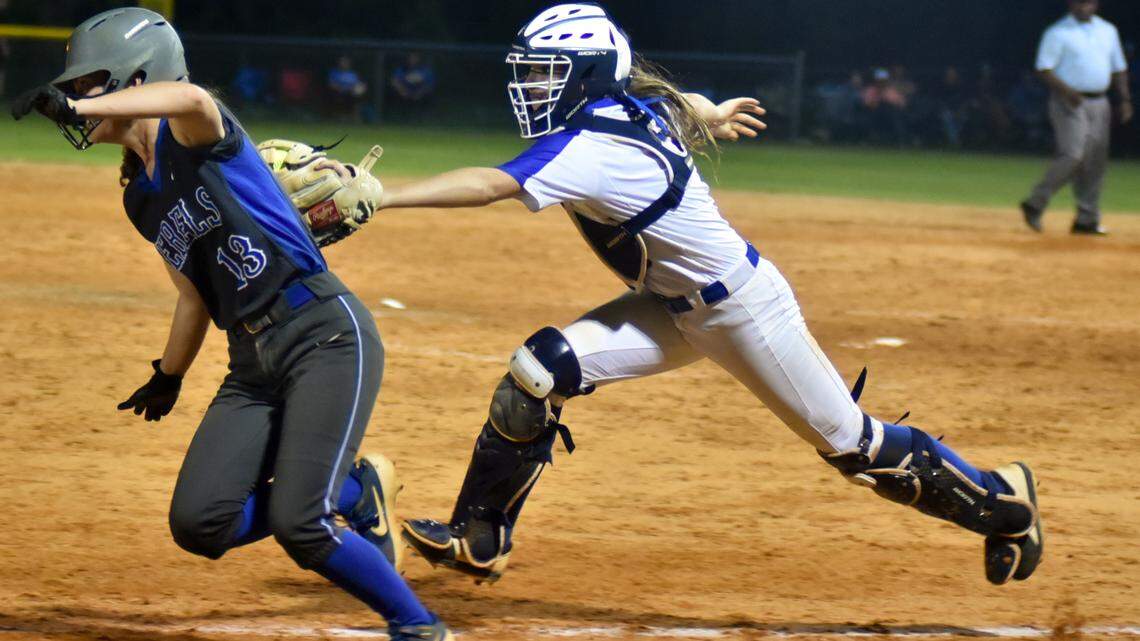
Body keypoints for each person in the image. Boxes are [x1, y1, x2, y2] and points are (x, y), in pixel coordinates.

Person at [367, 3, 1044, 589]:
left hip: (741, 311)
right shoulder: (629, 108)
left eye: (546, 70)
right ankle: (479, 538)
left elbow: (492, 184)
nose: (532, 84)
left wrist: (386, 196)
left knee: (857, 450)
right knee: (539, 372)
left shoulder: (592, 144)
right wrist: (711, 113)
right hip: (671, 306)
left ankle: (1007, 504)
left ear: (591, 73)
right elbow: (676, 104)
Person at [9, 9, 450, 641]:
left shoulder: (195, 131)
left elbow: (189, 95)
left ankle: (419, 627)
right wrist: (168, 375)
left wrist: (79, 108)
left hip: (323, 335)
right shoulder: (138, 193)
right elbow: (191, 297)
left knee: (303, 524)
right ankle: (358, 492)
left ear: (138, 76)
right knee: (199, 524)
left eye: (88, 85)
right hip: (251, 363)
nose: (78, 99)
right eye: (77, 90)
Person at [1021, 0, 1132, 235]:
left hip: (1100, 101)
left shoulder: (1107, 30)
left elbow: (1119, 67)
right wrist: (1067, 91)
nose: (1085, 6)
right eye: (1080, 2)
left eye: (1089, 2)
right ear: (1071, 4)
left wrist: (1124, 99)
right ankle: (1035, 202)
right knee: (1073, 154)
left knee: (1095, 160)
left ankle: (1087, 218)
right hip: (1068, 101)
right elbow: (1043, 68)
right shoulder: (1058, 32)